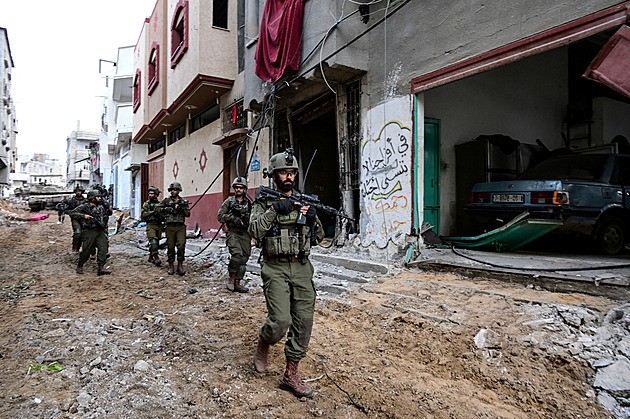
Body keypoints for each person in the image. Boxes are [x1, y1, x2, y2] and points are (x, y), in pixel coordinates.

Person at [248, 149, 324, 398]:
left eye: (291, 172)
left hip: (302, 266)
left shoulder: (305, 201)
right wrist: (274, 210)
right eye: (283, 172)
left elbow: (320, 238)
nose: (288, 176)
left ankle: (290, 375)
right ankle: (264, 340)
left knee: (303, 321)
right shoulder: (262, 203)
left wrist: (313, 220)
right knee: (281, 321)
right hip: (275, 267)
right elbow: (255, 230)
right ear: (274, 176)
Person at [217, 177, 252, 293]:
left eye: (241, 187)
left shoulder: (249, 204)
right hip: (232, 232)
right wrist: (232, 217)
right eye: (236, 187)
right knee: (236, 255)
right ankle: (231, 278)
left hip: (245, 233)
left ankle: (238, 282)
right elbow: (220, 216)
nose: (238, 189)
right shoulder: (229, 202)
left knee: (244, 258)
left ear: (245, 189)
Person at [70, 189, 113, 276]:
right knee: (87, 250)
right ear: (92, 198)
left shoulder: (100, 207)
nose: (100, 198)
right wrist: (83, 216)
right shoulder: (84, 207)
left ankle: (101, 268)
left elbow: (105, 217)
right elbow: (73, 213)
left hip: (100, 231)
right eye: (97, 197)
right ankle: (80, 265)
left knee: (103, 248)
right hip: (89, 231)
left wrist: (109, 212)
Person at [156, 182, 190, 276]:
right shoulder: (166, 201)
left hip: (180, 226)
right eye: (171, 190)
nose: (172, 191)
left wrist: (181, 208)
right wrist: (166, 209)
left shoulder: (183, 201)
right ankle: (171, 265)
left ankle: (180, 265)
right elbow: (157, 209)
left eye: (174, 190)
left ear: (179, 190)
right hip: (170, 226)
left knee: (181, 245)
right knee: (170, 246)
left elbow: (188, 214)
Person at [141, 186, 165, 266]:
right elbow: (143, 214)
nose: (150, 195)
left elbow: (164, 213)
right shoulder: (146, 204)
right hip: (150, 225)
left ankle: (151, 257)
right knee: (153, 241)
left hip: (159, 225)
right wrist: (152, 213)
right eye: (149, 194)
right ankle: (156, 258)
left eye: (152, 194)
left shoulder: (160, 204)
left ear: (156, 195)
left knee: (156, 243)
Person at [64, 186, 86, 252]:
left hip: (84, 218)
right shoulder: (71, 201)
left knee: (85, 234)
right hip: (75, 219)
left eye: (80, 191)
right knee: (77, 233)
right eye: (77, 191)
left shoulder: (85, 201)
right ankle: (75, 248)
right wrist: (73, 213)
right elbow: (65, 210)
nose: (78, 192)